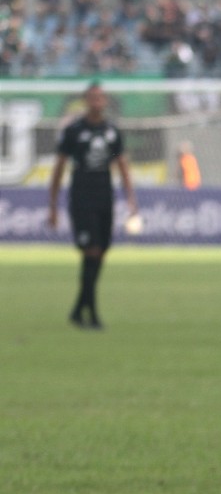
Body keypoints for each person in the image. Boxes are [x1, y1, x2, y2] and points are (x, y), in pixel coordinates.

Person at [47, 81, 137, 330]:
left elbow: (122, 165)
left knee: (101, 251)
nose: (97, 102)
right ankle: (92, 314)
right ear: (86, 101)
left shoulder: (112, 131)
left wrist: (131, 200)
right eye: (93, 97)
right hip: (82, 196)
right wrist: (52, 205)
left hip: (104, 196)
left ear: (105, 101)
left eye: (101, 97)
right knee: (91, 251)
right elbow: (59, 167)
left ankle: (78, 310)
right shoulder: (74, 130)